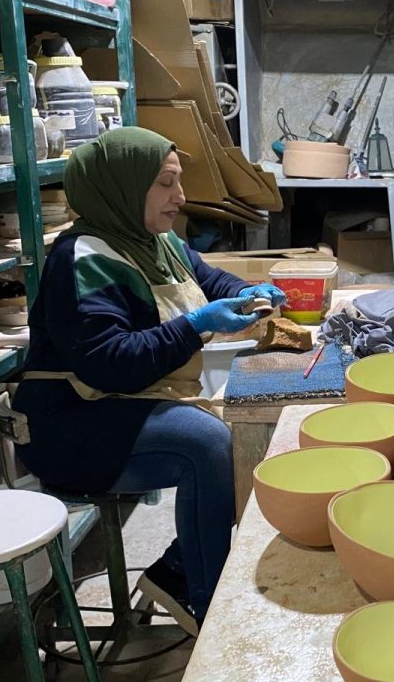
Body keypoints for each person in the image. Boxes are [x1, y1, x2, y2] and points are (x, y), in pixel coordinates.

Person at [14, 127, 284, 634]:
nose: (180, 198)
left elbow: (208, 280)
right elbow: (108, 362)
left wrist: (248, 292)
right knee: (208, 445)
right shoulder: (84, 259)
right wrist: (197, 325)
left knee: (248, 433)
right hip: (71, 422)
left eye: (177, 183)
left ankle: (178, 570)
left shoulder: (157, 242)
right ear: (122, 186)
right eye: (165, 184)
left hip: (128, 400)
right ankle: (206, 608)